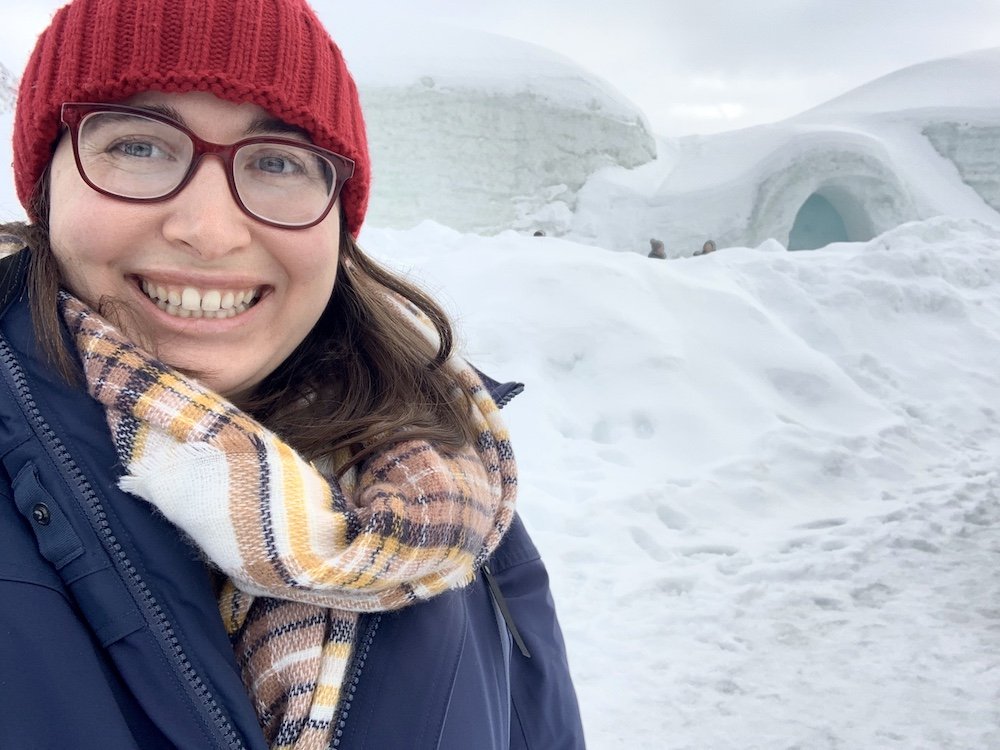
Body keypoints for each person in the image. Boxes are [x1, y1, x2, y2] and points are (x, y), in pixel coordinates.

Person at [0, 1, 585, 748]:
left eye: (278, 161)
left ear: (339, 215)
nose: (209, 231)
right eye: (139, 146)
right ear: (45, 189)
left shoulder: (446, 482)